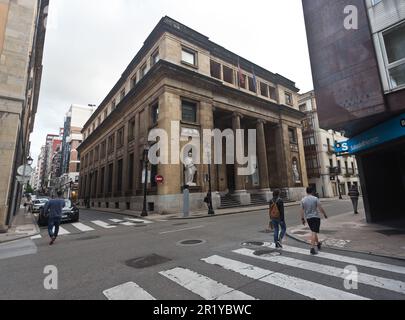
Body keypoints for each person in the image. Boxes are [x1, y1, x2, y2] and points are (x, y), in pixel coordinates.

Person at [301, 187, 328, 255]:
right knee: (314, 232)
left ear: (306, 191)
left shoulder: (303, 200)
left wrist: (302, 219)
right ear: (312, 191)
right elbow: (320, 207)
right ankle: (312, 248)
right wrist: (324, 214)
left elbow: (302, 210)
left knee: (314, 231)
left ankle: (318, 243)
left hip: (308, 218)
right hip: (315, 217)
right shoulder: (315, 198)